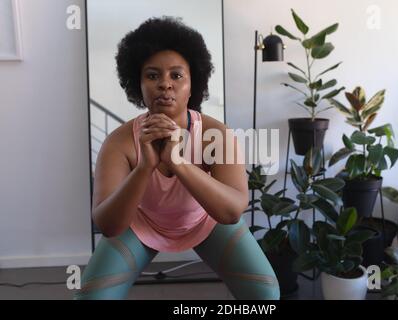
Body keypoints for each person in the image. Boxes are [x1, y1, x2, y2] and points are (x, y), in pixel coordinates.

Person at [74, 17, 279, 300]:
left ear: (193, 84)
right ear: (138, 83)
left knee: (266, 295)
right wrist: (145, 167)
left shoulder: (214, 134)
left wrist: (178, 162)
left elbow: (232, 211)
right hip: (142, 225)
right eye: (153, 75)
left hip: (204, 222)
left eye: (176, 75)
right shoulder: (119, 143)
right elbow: (108, 224)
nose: (165, 85)